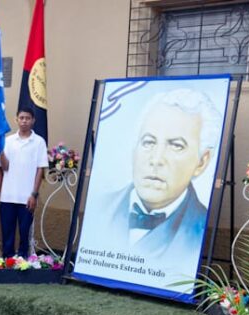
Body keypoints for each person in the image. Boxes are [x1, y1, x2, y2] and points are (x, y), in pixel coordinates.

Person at [94, 88, 221, 275]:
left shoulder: (199, 226)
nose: (156, 159)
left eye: (176, 145)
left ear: (201, 162)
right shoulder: (98, 208)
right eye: (148, 142)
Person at [0, 108, 48, 258]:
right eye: (21, 118)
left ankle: (23, 262)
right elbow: (4, 167)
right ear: (16, 120)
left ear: (33, 120)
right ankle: (7, 260)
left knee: (24, 233)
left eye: (27, 118)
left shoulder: (39, 142)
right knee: (7, 232)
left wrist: (34, 194)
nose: (24, 121)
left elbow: (40, 169)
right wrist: (1, 153)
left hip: (26, 197)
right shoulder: (8, 141)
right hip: (7, 196)